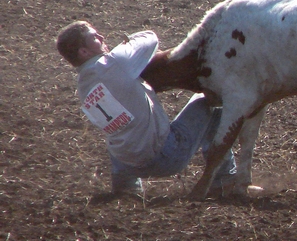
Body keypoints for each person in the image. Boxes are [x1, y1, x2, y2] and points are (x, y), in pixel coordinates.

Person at [55, 21, 236, 195]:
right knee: (209, 100)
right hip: (166, 157)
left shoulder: (83, 86)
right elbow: (150, 38)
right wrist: (126, 42)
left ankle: (126, 185)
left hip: (127, 164)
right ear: (84, 51)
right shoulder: (114, 63)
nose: (102, 37)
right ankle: (224, 178)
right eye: (94, 37)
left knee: (121, 131)